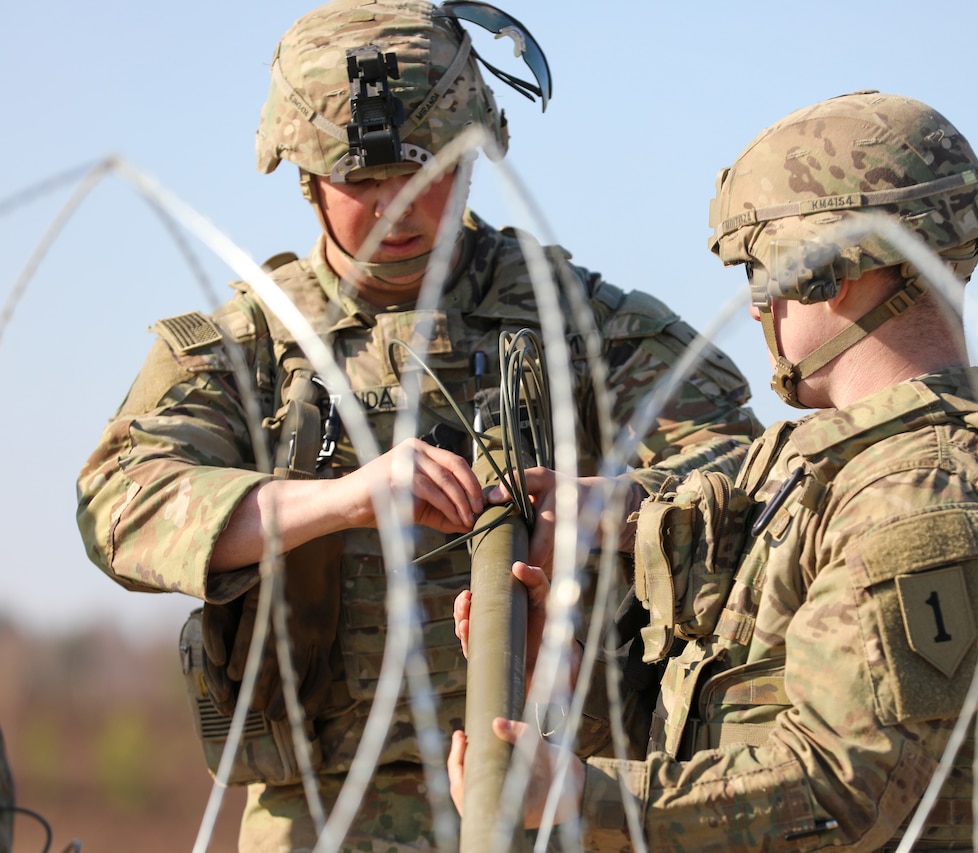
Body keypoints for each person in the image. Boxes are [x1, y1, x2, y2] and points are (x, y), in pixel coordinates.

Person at [74, 0, 762, 849]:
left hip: (555, 802)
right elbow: (121, 500)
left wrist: (604, 505)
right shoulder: (248, 348)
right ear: (303, 174)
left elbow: (751, 482)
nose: (396, 210)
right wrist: (343, 500)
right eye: (361, 182)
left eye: (426, 172)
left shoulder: (589, 326)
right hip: (316, 817)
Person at [450, 90, 978, 850]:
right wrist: (572, 679)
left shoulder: (918, 500)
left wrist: (580, 789)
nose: (753, 308)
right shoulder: (816, 471)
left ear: (828, 272)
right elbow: (721, 740)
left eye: (760, 268)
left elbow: (842, 791)